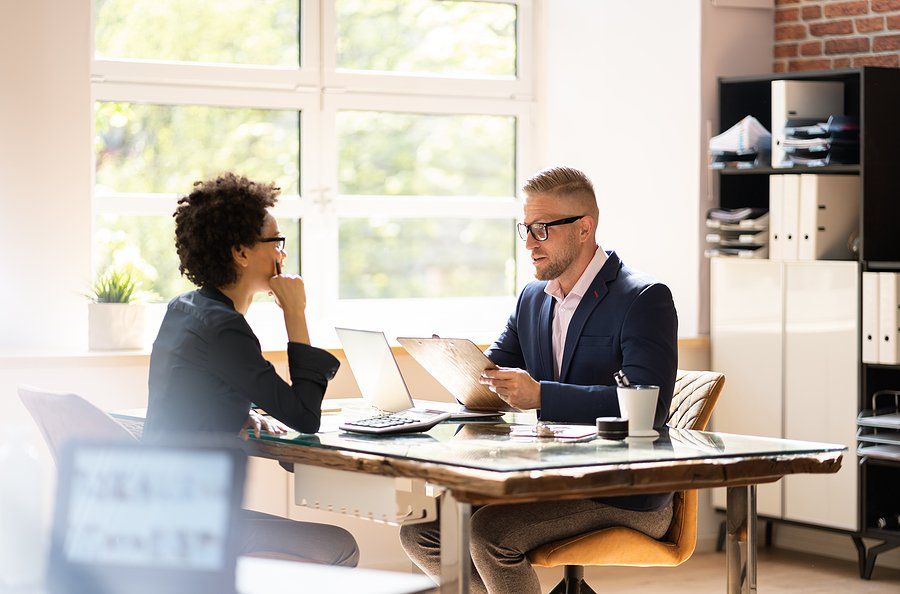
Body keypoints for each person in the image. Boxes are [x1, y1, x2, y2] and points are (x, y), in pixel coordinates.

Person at [399, 166, 678, 593]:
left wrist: (540, 394)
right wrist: (456, 363)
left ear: (584, 228)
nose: (529, 243)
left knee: (491, 533)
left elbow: (650, 410)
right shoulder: (532, 298)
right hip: (552, 481)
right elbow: (492, 376)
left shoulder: (642, 298)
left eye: (542, 229)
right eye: (526, 229)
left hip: (625, 493)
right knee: (422, 531)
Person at [144, 172, 359, 567]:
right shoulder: (225, 327)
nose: (282, 254)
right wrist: (295, 313)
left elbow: (193, 387)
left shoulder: (186, 309)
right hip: (190, 522)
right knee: (340, 546)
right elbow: (305, 417)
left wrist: (244, 409)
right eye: (277, 242)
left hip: (158, 507)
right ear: (241, 252)